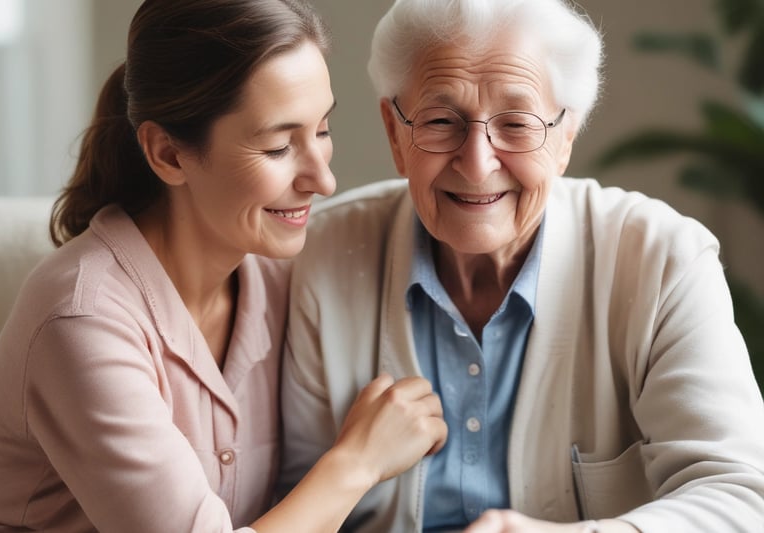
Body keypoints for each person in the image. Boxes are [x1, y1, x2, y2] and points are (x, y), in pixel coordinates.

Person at [276, 0, 764, 531]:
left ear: (565, 137)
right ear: (395, 134)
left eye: (515, 123)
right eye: (442, 121)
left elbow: (740, 499)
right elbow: (292, 498)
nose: (478, 161)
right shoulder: (319, 257)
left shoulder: (662, 261)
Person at [0, 1, 448, 532]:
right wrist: (359, 463)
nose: (323, 181)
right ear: (167, 154)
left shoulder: (282, 276)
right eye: (279, 146)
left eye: (321, 130)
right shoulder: (82, 321)